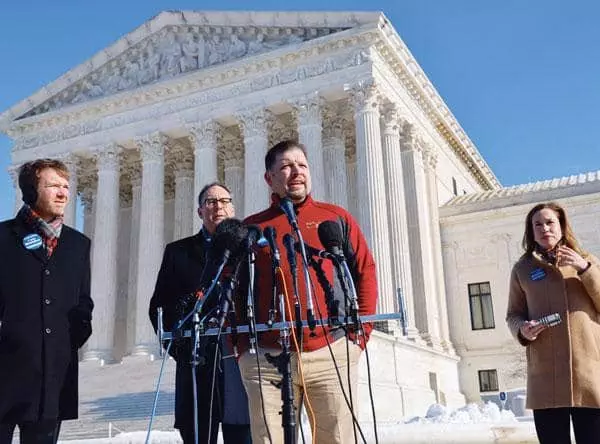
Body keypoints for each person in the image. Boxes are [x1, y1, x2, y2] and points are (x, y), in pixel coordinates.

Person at [238, 140, 378, 444]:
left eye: (302, 165)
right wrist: (241, 350)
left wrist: (361, 334)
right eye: (286, 166)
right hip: (267, 357)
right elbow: (233, 288)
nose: (296, 172)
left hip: (330, 352)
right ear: (269, 178)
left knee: (338, 439)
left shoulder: (334, 218)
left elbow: (365, 271)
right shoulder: (251, 228)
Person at [149, 182, 251, 444]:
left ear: (233, 207)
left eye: (224, 201)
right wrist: (183, 352)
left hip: (239, 362)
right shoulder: (178, 252)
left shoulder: (249, 250)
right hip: (197, 363)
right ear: (199, 211)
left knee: (242, 436)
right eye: (210, 202)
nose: (218, 206)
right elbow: (159, 307)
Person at [0, 158, 94, 444]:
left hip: (53, 377)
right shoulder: (3, 237)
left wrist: (67, 342)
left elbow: (83, 303)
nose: (63, 193)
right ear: (31, 190)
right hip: (5, 370)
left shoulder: (78, 244)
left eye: (66, 186)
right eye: (53, 185)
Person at [506, 202, 600, 444]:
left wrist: (584, 268)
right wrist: (522, 329)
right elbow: (513, 314)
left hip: (588, 373)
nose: (544, 228)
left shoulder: (587, 260)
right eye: (537, 224)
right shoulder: (522, 269)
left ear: (561, 226)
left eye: (550, 222)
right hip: (545, 376)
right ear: (531, 231)